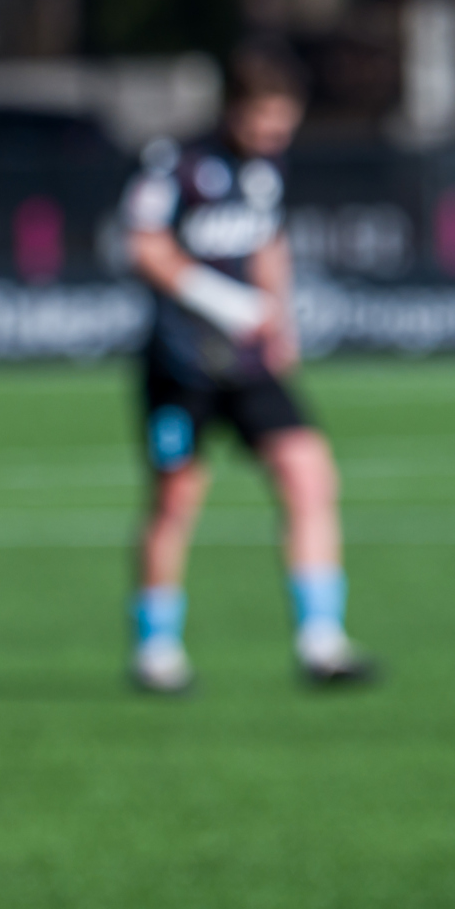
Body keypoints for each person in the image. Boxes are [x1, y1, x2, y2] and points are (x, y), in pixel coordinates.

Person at [121, 42, 378, 694]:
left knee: (309, 474)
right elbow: (145, 248)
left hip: (249, 365)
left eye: (284, 122)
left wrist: (278, 320)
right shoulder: (176, 166)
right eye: (265, 119)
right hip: (182, 365)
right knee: (175, 498)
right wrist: (229, 304)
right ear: (234, 109)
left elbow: (268, 243)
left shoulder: (266, 171)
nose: (274, 133)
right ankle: (157, 650)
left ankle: (321, 641)